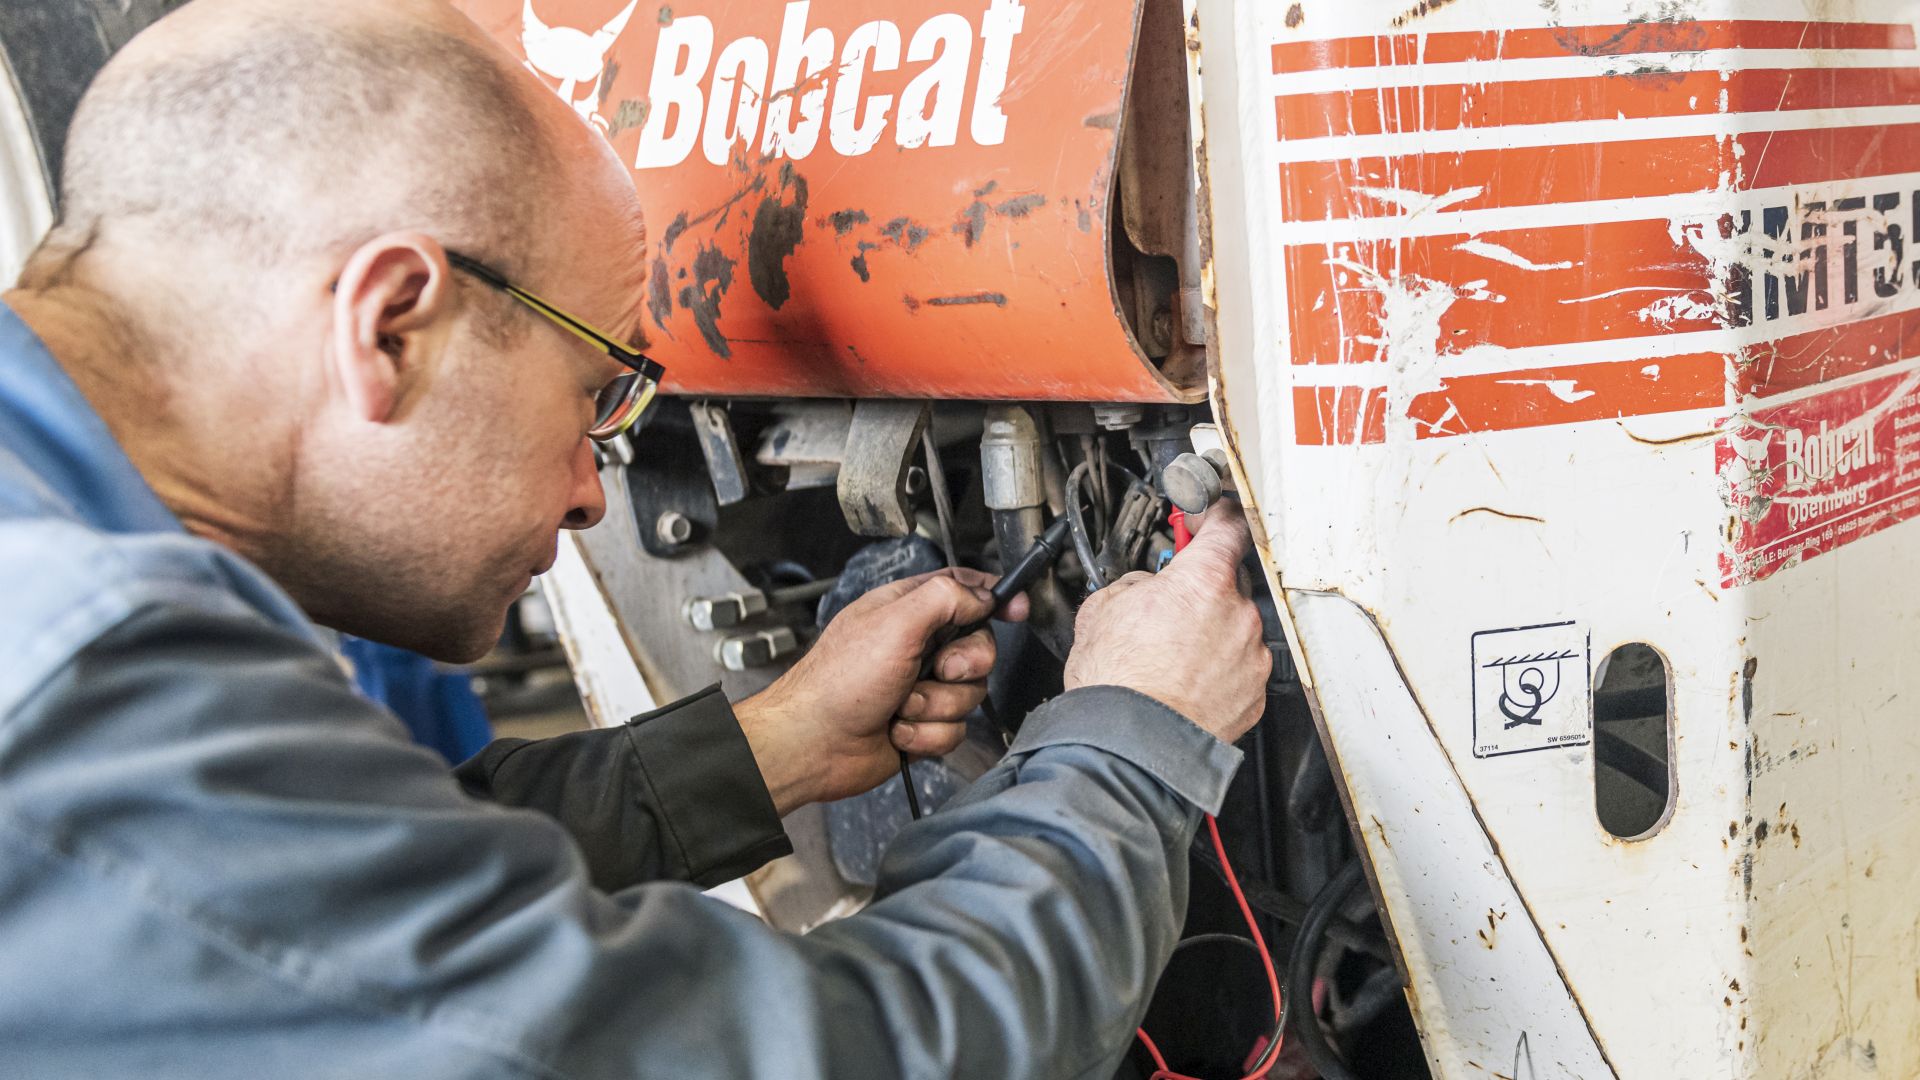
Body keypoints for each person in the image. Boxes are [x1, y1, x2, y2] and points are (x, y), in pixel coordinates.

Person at [0, 0, 1273, 1076]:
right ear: (390, 325)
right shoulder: (84, 695)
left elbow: (332, 877)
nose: (590, 496)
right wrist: (1132, 742)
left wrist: (772, 746)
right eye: (593, 395)